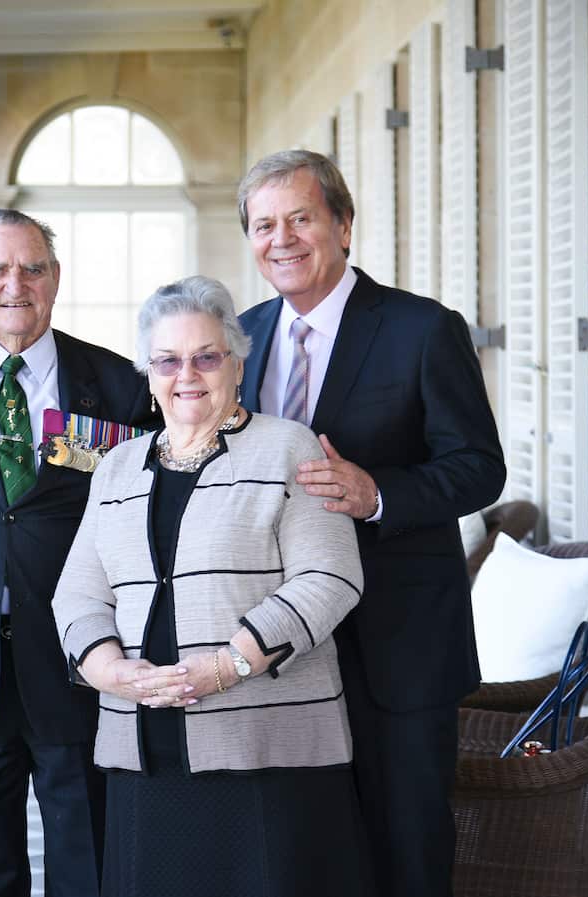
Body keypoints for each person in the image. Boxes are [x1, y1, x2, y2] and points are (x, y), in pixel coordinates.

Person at [236, 149, 506, 897]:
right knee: (307, 851)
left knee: (407, 850)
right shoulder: (241, 337)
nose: (282, 238)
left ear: (343, 225)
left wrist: (376, 492)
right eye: (264, 225)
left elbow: (480, 466)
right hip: (283, 643)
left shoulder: (423, 329)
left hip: (399, 645)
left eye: (300, 218)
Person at [52, 275, 370, 897]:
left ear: (237, 363)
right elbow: (77, 594)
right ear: (149, 374)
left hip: (266, 751)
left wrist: (228, 665)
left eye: (206, 356)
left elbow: (330, 578)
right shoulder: (116, 467)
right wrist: (110, 671)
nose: (187, 374)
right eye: (168, 360)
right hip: (143, 748)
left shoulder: (288, 448)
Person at [0, 208, 157, 896]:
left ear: (55, 279)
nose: (16, 285)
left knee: (96, 867)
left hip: (82, 666)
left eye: (32, 268)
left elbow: (142, 528)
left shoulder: (119, 385)